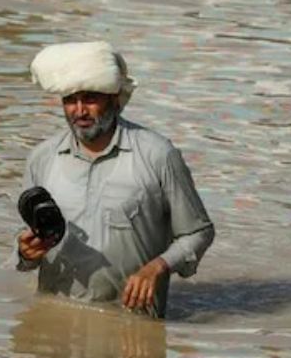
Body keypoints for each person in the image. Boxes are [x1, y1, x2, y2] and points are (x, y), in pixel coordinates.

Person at [15, 41, 215, 319]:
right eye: (70, 100)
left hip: (132, 329)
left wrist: (158, 266)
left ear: (115, 98)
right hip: (55, 325)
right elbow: (26, 250)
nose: (80, 110)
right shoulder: (42, 158)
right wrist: (26, 254)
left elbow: (198, 232)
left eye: (91, 98)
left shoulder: (158, 155)